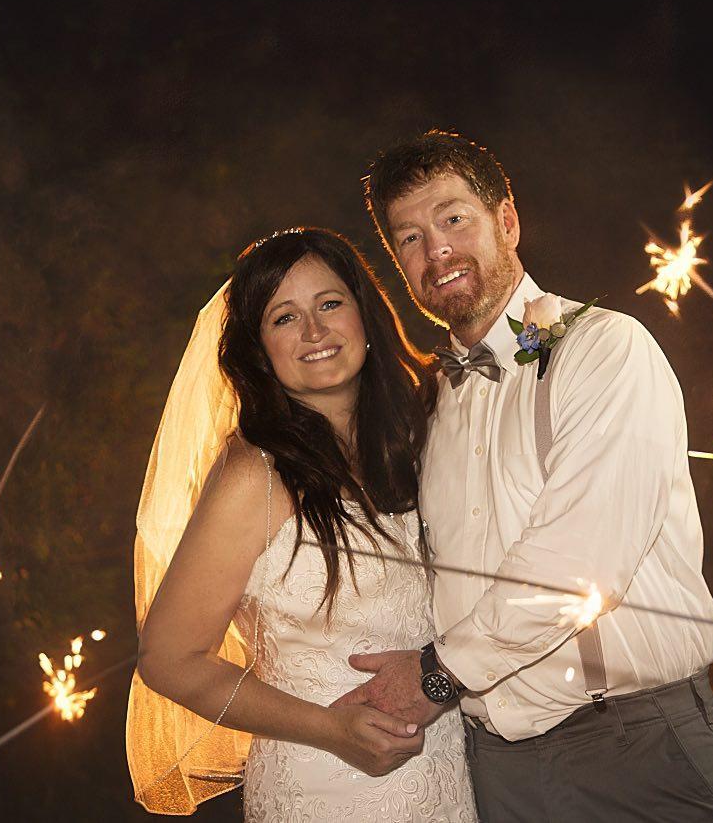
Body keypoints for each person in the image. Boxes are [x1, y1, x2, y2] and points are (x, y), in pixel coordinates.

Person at [332, 130, 713, 821]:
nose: (436, 250)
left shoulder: (602, 349)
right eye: (410, 238)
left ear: (507, 221)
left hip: (636, 749)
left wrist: (438, 674)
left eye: (453, 219)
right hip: (495, 769)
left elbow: (581, 562)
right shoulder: (426, 404)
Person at [130, 228, 477, 820]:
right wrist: (330, 730)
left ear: (364, 313)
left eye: (329, 304)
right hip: (324, 785)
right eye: (284, 318)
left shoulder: (417, 437)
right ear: (258, 347)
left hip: (445, 780)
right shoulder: (254, 475)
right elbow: (168, 658)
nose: (314, 332)